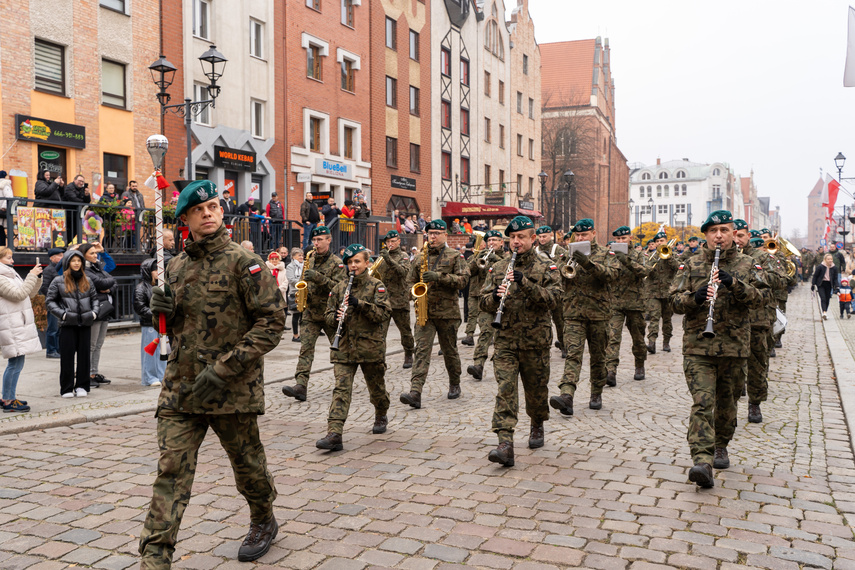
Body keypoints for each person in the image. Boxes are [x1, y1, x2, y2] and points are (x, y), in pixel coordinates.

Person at [139, 179, 286, 566]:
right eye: (198, 210)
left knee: (248, 467)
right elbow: (169, 329)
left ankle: (262, 517)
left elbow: (271, 322)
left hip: (231, 389)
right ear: (185, 218)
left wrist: (224, 370)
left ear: (221, 212)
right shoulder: (175, 265)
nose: (207, 213)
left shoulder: (244, 262)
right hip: (181, 390)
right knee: (170, 473)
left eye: (213, 207)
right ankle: (155, 558)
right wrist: (161, 313)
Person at [669, 210, 765, 489]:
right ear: (706, 235)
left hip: (734, 348)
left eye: (724, 230)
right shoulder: (691, 264)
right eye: (713, 231)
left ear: (734, 233)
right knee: (702, 402)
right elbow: (674, 301)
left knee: (727, 406)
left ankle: (721, 444)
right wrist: (695, 297)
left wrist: (734, 284)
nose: (718, 236)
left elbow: (761, 299)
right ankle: (702, 460)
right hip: (698, 346)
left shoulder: (749, 264)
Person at [478, 216, 561, 466]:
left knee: (536, 392)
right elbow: (482, 302)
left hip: (536, 341)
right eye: (512, 237)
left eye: (521, 237)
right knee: (505, 391)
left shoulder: (547, 265)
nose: (516, 242)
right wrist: (494, 296)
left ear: (532, 239)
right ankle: (505, 443)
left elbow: (554, 300)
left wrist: (524, 282)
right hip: (505, 340)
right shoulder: (499, 266)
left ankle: (537, 423)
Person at [316, 243, 392, 451]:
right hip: (344, 347)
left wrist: (360, 304)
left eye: (357, 261)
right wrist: (336, 317)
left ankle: (381, 412)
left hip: (370, 347)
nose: (353, 265)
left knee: (376, 388)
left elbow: (384, 314)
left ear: (367, 263)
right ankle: (335, 433)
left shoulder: (377, 286)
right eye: (349, 262)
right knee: (341, 390)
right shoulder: (338, 288)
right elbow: (328, 316)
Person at [549, 218, 619, 416]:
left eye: (584, 235)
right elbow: (557, 276)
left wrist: (588, 264)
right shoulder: (567, 254)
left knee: (598, 357)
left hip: (599, 314)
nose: (580, 238)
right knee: (573, 355)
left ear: (593, 234)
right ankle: (567, 395)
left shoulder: (607, 254)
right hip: (573, 314)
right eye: (577, 235)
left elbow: (612, 276)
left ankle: (596, 393)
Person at [400, 219, 470, 409]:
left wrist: (439, 277)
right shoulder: (420, 257)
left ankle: (455, 383)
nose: (433, 237)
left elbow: (463, 281)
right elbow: (408, 283)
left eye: (437, 233)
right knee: (421, 351)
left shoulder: (455, 256)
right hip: (425, 313)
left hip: (448, 313)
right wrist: (414, 293)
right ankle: (416, 392)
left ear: (445, 235)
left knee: (449, 351)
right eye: (430, 233)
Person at [281, 226, 346, 401]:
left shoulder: (337, 262)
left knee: (339, 349)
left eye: (319, 240)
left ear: (329, 240)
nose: (316, 244)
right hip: (310, 312)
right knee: (305, 349)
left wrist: (318, 277)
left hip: (330, 313)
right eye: (314, 241)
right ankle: (300, 385)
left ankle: (343, 383)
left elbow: (339, 288)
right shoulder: (309, 259)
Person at [734, 226, 784, 426]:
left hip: (758, 318)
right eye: (734, 234)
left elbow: (782, 279)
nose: (737, 239)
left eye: (740, 235)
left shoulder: (762, 257)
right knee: (732, 367)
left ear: (748, 236)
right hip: (732, 320)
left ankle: (755, 403)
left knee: (757, 364)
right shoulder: (722, 256)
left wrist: (755, 275)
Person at [46, 249, 99, 398]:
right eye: (73, 261)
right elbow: (50, 301)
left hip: (85, 323)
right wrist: (63, 314)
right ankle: (67, 388)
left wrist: (94, 313)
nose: (76, 263)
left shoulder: (88, 280)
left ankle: (82, 385)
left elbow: (95, 299)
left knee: (84, 356)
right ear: (67, 262)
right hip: (68, 324)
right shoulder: (58, 281)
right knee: (67, 357)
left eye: (79, 261)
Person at [605, 226, 651, 386]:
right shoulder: (610, 255)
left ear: (630, 238)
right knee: (612, 337)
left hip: (635, 304)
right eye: (617, 239)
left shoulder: (638, 254)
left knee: (638, 338)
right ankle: (610, 370)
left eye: (623, 238)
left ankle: (640, 365)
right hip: (615, 303)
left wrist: (626, 260)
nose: (620, 241)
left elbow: (645, 271)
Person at [0, 247, 43, 413]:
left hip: (17, 323)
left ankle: (7, 396)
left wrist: (36, 278)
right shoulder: (2, 277)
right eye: (8, 257)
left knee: (17, 362)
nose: (12, 260)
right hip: (11, 324)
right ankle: (8, 400)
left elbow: (28, 294)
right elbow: (18, 295)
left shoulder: (10, 274)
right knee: (15, 363)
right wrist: (31, 275)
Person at [467, 230, 507, 380]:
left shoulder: (507, 257)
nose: (492, 243)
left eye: (495, 240)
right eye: (489, 240)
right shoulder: (481, 254)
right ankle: (478, 364)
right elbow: (468, 271)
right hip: (484, 299)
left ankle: (503, 365)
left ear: (501, 242)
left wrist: (495, 258)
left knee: (502, 336)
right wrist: (478, 257)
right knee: (485, 331)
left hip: (502, 300)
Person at [79, 243, 116, 388]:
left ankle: (93, 372)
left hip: (105, 310)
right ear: (84, 256)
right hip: (94, 310)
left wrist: (109, 287)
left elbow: (111, 282)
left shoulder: (98, 267)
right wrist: (109, 284)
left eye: (96, 253)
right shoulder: (85, 270)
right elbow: (100, 283)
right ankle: (86, 374)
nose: (95, 255)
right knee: (91, 344)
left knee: (98, 344)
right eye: (92, 253)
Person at [376, 230, 415, 368]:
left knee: (405, 332)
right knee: (380, 334)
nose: (390, 244)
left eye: (393, 241)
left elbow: (403, 272)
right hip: (383, 302)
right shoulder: (381, 258)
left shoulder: (403, 256)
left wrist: (388, 259)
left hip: (400, 301)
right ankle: (380, 360)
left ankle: (409, 353)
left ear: (398, 241)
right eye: (388, 242)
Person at [534, 225, 567, 357]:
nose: (542, 239)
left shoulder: (558, 249)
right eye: (540, 237)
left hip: (556, 290)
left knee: (559, 320)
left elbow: (565, 267)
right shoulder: (535, 251)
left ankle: (564, 345)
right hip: (540, 290)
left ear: (550, 236)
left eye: (544, 236)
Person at [644, 231, 678, 353]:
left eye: (661, 241)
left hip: (668, 292)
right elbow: (646, 271)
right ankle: (651, 342)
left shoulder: (673, 255)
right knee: (654, 318)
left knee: (667, 319)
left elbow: (678, 268)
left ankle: (666, 342)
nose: (659, 243)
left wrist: (669, 257)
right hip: (653, 292)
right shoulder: (650, 256)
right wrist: (654, 260)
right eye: (657, 241)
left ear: (666, 242)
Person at [134, 258, 165, 387]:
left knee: (163, 350)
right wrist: (156, 315)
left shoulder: (162, 286)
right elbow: (139, 307)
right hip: (150, 324)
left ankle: (162, 375)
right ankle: (150, 377)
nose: (158, 272)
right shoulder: (141, 288)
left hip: (162, 324)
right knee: (150, 350)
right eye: (155, 269)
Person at [38, 248, 65, 359]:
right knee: (53, 328)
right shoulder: (49, 270)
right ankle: (51, 351)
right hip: (53, 303)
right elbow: (44, 287)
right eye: (59, 255)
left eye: (62, 255)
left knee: (59, 328)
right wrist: (54, 297)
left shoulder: (62, 269)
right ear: (51, 258)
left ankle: (58, 349)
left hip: (62, 303)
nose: (61, 257)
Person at [286, 247, 304, 342]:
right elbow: (291, 280)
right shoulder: (290, 266)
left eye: (302, 255)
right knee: (296, 315)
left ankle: (303, 334)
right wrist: (303, 282)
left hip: (304, 293)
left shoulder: (304, 265)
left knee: (304, 316)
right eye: (299, 255)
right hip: (295, 292)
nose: (301, 257)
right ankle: (295, 335)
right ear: (293, 257)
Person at [812, 253, 838, 319]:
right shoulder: (820, 267)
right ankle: (824, 312)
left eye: (831, 259)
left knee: (827, 298)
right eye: (828, 259)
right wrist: (813, 284)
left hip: (829, 284)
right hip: (821, 284)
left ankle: (825, 311)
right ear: (825, 259)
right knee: (823, 298)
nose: (830, 260)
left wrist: (837, 287)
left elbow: (835, 278)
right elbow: (815, 276)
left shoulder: (834, 268)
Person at [0, 171, 13, 247]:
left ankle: (1, 248)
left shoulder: (5, 185)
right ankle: (2, 248)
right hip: (2, 210)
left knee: (0, 229)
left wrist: (4, 207)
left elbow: (9, 197)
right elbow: (9, 196)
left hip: (1, 212)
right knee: (1, 230)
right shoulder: (6, 185)